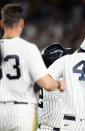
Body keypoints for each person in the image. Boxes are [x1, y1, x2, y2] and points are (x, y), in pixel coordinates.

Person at [0, 3, 64, 131]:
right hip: (21, 111)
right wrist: (59, 84)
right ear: (22, 23)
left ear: (2, 23)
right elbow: (46, 83)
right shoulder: (28, 48)